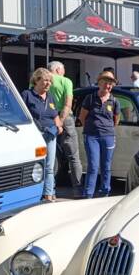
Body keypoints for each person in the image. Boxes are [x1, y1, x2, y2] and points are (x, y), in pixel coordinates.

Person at [21, 67, 63, 202]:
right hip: (35, 136)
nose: (48, 83)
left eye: (50, 81)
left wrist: (59, 126)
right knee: (35, 166)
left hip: (50, 135)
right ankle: (33, 194)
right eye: (45, 80)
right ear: (36, 80)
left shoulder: (50, 97)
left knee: (49, 167)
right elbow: (22, 115)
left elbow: (55, 115)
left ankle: (48, 194)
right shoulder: (27, 95)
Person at [78, 70, 120, 198]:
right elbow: (82, 117)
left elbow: (116, 120)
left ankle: (104, 193)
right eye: (106, 83)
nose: (108, 86)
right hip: (92, 136)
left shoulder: (114, 101)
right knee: (93, 166)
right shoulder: (90, 98)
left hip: (108, 136)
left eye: (111, 84)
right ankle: (88, 195)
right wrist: (92, 128)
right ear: (100, 83)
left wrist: (107, 129)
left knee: (106, 166)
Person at [48, 60, 83, 196]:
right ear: (58, 70)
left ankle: (49, 190)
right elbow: (68, 104)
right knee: (73, 157)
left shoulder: (40, 80)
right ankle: (77, 190)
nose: (63, 72)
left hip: (47, 118)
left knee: (49, 155)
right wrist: (61, 121)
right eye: (63, 70)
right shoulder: (66, 81)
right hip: (65, 118)